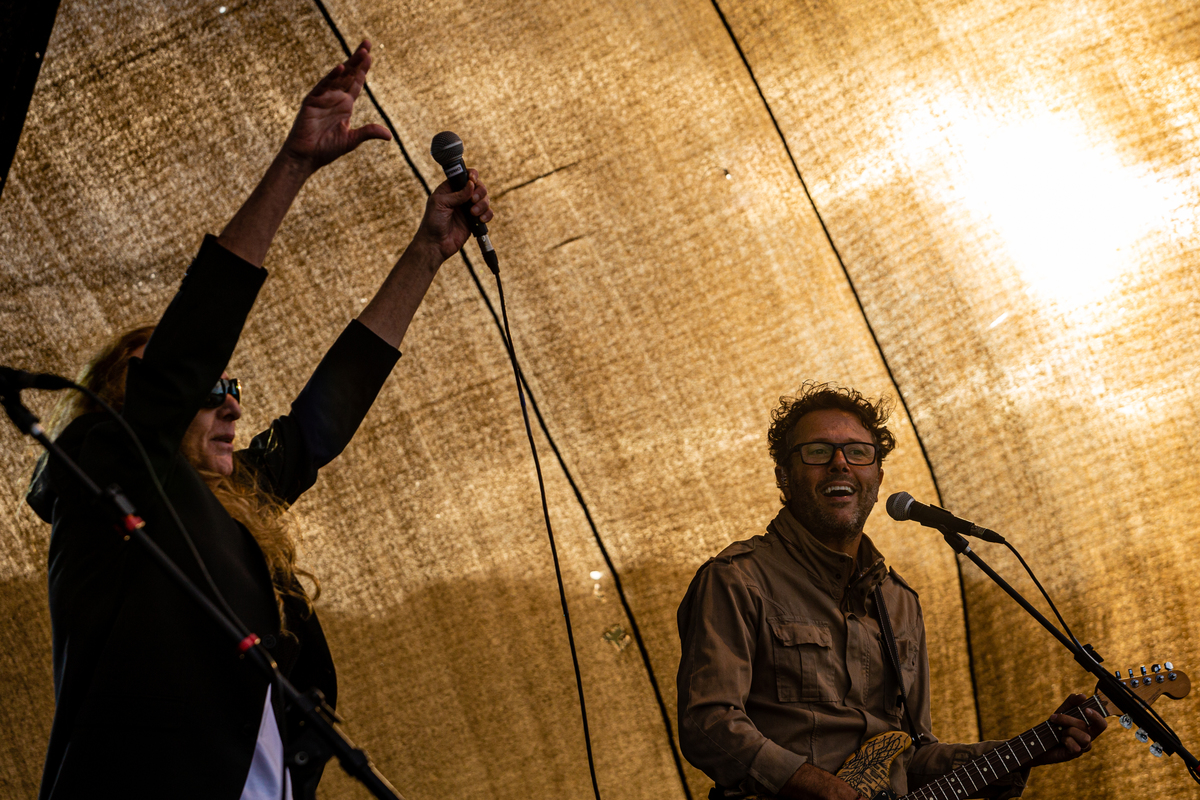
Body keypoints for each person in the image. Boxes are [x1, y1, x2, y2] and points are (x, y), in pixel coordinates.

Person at [25, 41, 492, 800]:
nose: (231, 402)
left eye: (231, 384)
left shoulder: (232, 501)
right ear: (126, 397)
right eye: (204, 386)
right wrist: (294, 166)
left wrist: (428, 253)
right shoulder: (100, 466)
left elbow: (316, 424)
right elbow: (181, 358)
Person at [676, 383, 1107, 800]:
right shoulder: (736, 580)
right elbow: (707, 723)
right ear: (783, 476)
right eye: (818, 451)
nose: (840, 463)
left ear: (878, 476)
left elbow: (912, 757)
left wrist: (1025, 753)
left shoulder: (899, 602)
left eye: (858, 452)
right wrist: (816, 786)